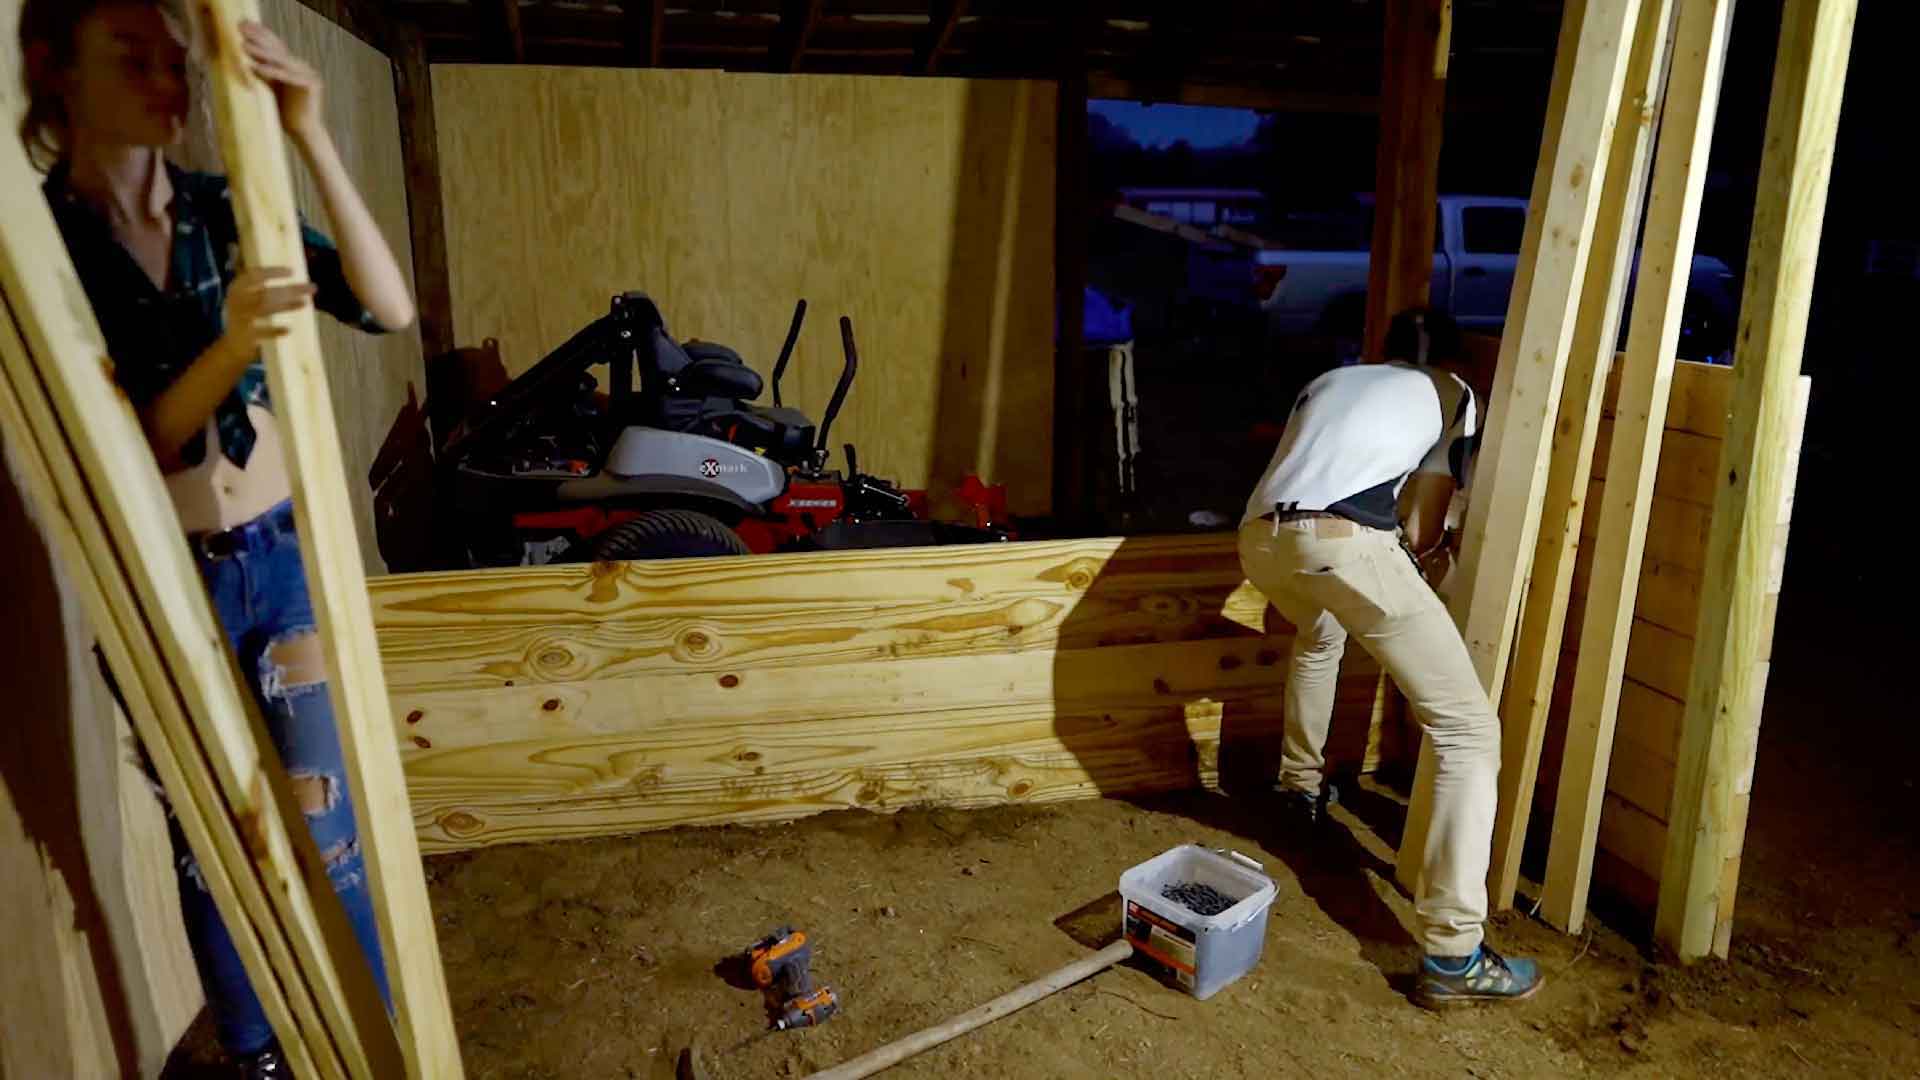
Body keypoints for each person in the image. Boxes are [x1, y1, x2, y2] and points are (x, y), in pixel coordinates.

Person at [21, 1, 416, 1073]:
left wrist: (311, 131)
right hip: (167, 582)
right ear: (57, 72)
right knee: (219, 848)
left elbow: (389, 308)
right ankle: (259, 1058)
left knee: (329, 838)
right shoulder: (42, 245)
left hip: (281, 563)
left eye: (177, 60)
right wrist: (234, 342)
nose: (169, 79)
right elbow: (131, 441)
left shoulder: (222, 208)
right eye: (131, 57)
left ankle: (373, 1048)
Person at [1237, 308, 1541, 1007]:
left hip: (1260, 539)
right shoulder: (1455, 394)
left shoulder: (1329, 380)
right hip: (1342, 539)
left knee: (1319, 636)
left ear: (1384, 350)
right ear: (1452, 359)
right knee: (1467, 728)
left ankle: (1300, 787)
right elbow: (1419, 522)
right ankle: (1456, 955)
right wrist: (1433, 560)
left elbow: (1309, 471)